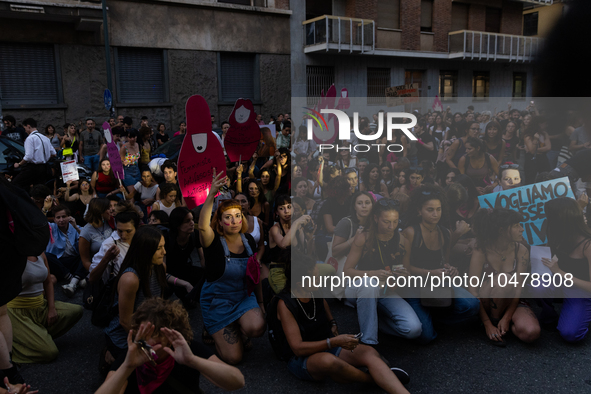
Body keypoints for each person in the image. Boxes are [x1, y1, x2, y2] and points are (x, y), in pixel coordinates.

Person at [269, 254, 410, 393]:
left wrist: (332, 321)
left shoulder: (312, 289)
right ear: (300, 283)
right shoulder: (285, 304)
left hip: (325, 342)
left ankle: (394, 387)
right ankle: (373, 379)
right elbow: (298, 348)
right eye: (316, 278)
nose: (320, 280)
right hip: (300, 358)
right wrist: (333, 342)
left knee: (369, 352)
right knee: (329, 362)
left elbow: (322, 303)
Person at [97, 298, 244, 394]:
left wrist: (193, 361)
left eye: (155, 333)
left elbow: (237, 381)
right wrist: (127, 367)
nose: (148, 341)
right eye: (143, 333)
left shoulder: (187, 350)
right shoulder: (131, 358)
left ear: (171, 335)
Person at [198, 170, 266, 365]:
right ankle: (216, 327)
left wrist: (260, 303)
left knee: (258, 327)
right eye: (227, 217)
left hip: (243, 297)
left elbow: (255, 275)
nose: (233, 221)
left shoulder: (249, 242)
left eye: (237, 216)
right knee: (234, 358)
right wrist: (212, 193)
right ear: (219, 222)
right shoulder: (213, 243)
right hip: (218, 302)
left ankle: (240, 325)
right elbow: (202, 227)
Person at [401, 185, 479, 344]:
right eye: (430, 209)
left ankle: (432, 317)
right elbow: (405, 269)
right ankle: (426, 318)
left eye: (438, 209)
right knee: (426, 337)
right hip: (413, 286)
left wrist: (451, 269)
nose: (435, 214)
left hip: (437, 285)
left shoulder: (445, 233)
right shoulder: (410, 232)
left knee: (473, 305)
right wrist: (431, 273)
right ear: (419, 211)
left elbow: (445, 262)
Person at [343, 199, 423, 344]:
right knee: (369, 284)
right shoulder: (363, 237)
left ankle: (372, 320)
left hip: (386, 291)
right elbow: (347, 271)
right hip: (359, 288)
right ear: (375, 218)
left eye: (395, 221)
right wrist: (372, 274)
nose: (391, 226)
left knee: (413, 329)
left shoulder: (402, 240)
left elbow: (407, 274)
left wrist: (404, 277)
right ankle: (369, 342)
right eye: (386, 221)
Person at [469, 208, 540, 345]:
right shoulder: (481, 250)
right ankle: (493, 323)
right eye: (516, 226)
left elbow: (519, 288)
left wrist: (507, 317)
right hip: (486, 302)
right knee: (504, 279)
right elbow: (472, 291)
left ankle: (503, 326)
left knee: (531, 333)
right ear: (501, 230)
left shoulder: (521, 250)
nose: (521, 229)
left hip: (510, 300)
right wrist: (487, 324)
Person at [103, 226, 173, 366]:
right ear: (145, 250)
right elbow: (125, 321)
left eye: (163, 247)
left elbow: (160, 305)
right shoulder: (131, 279)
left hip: (149, 327)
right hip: (125, 333)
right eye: (159, 248)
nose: (164, 252)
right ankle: (110, 355)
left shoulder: (160, 268)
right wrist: (147, 344)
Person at [533, 197, 591, 343]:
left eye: (549, 217)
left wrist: (559, 272)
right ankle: (549, 316)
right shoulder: (555, 233)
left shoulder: (588, 244)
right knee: (538, 285)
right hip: (560, 281)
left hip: (581, 289)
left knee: (570, 334)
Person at [8, 253, 83, 363]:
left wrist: (52, 309)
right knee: (50, 352)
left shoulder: (41, 252)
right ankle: (8, 350)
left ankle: (35, 336)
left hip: (40, 305)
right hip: (17, 311)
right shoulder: (9, 253)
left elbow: (48, 282)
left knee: (76, 311)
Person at [329, 191, 374, 298]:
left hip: (365, 268)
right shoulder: (346, 223)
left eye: (367, 202)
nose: (364, 206)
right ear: (354, 206)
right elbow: (335, 251)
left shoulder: (374, 223)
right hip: (348, 270)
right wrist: (355, 239)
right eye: (360, 203)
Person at [89, 202, 140, 284]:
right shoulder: (109, 244)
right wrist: (106, 258)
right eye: (120, 231)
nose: (123, 235)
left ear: (137, 228)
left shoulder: (141, 240)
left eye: (128, 231)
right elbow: (92, 277)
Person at [164, 207, 204, 307]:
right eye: (187, 221)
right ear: (177, 224)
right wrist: (185, 284)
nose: (192, 223)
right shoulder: (167, 239)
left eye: (192, 220)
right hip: (168, 274)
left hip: (184, 268)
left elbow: (203, 259)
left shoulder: (195, 235)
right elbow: (162, 272)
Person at [44, 205, 85, 297]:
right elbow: (39, 222)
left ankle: (73, 282)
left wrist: (76, 227)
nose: (61, 220)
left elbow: (87, 240)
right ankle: (74, 280)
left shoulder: (75, 227)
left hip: (73, 261)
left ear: (69, 217)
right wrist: (45, 209)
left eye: (64, 217)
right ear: (54, 219)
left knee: (86, 254)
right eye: (58, 217)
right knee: (46, 256)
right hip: (57, 263)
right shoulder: (51, 227)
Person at [12, 118, 56, 192]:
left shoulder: (30, 138)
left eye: (25, 128)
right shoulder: (45, 138)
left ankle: (23, 202)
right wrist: (43, 156)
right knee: (39, 189)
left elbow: (28, 156)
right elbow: (54, 153)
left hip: (32, 168)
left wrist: (19, 164)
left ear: (28, 126)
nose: (25, 130)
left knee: (15, 185)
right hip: (44, 167)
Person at [80, 198, 116, 279]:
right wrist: (95, 273)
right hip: (99, 270)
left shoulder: (111, 222)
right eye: (108, 208)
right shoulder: (85, 232)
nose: (111, 210)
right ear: (99, 211)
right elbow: (85, 260)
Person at [523, 116, 551, 185]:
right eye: (544, 123)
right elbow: (532, 151)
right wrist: (535, 139)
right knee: (530, 180)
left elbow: (548, 147)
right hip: (531, 160)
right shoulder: (528, 135)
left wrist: (536, 149)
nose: (546, 125)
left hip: (543, 158)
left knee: (546, 177)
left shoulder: (544, 134)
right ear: (539, 124)